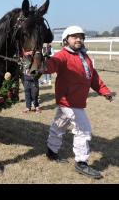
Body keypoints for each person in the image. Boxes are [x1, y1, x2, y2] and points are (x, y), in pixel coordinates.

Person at [43, 25, 113, 179]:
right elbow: (51, 64)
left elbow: (93, 77)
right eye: (74, 37)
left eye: (80, 37)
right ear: (66, 40)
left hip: (74, 102)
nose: (78, 39)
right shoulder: (62, 55)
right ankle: (81, 163)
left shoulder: (85, 57)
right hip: (69, 102)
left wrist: (104, 91)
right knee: (84, 130)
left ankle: (51, 151)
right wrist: (41, 65)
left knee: (58, 127)